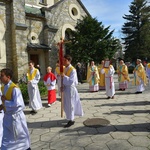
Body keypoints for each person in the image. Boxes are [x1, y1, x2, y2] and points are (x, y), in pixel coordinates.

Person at [0, 68, 31, 150]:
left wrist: (5, 102)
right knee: (6, 141)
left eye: (2, 76)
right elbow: (5, 102)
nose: (0, 77)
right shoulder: (3, 88)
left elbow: (19, 105)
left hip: (16, 119)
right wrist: (2, 106)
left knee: (19, 140)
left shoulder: (15, 88)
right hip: (7, 118)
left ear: (8, 77)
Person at [61, 54, 84, 128]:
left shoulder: (73, 70)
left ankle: (71, 120)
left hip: (71, 89)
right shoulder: (65, 69)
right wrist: (62, 86)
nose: (64, 61)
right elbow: (63, 80)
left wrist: (64, 76)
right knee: (66, 104)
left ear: (69, 60)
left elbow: (71, 81)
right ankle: (69, 117)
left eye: (65, 60)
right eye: (63, 60)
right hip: (66, 89)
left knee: (71, 104)